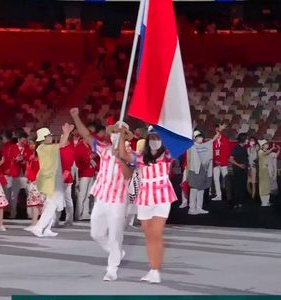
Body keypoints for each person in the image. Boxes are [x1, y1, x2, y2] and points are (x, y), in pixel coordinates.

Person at [71, 108, 132, 281]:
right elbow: (87, 136)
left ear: (125, 137)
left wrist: (120, 158)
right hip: (101, 197)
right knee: (96, 234)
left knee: (115, 235)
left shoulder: (130, 155)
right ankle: (117, 251)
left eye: (119, 133)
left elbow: (128, 175)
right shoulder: (104, 149)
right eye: (114, 132)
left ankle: (112, 268)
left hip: (118, 201)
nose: (115, 135)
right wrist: (76, 117)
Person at [118, 126, 177, 284]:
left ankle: (156, 270)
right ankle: (152, 269)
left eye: (158, 138)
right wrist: (121, 136)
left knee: (156, 234)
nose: (155, 141)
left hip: (162, 195)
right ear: (147, 139)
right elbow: (123, 154)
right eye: (152, 138)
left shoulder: (168, 155)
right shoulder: (140, 157)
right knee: (149, 235)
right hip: (145, 196)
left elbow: (179, 144)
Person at [25, 124, 73, 238]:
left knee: (51, 204)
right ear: (43, 138)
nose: (51, 137)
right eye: (48, 136)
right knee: (52, 204)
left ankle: (47, 228)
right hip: (48, 180)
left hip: (52, 179)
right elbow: (61, 144)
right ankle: (39, 227)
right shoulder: (43, 148)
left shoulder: (45, 147)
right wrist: (66, 133)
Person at [185, 130, 213, 215]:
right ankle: (191, 208)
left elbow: (212, 141)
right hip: (194, 170)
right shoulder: (192, 146)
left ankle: (199, 207)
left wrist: (219, 131)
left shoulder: (205, 146)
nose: (201, 139)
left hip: (203, 170)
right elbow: (189, 141)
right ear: (195, 138)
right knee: (194, 189)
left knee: (201, 189)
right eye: (199, 137)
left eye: (201, 137)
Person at [74, 130, 96, 221]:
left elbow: (90, 155)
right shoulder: (80, 146)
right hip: (83, 173)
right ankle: (78, 213)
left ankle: (85, 213)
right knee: (82, 194)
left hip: (90, 172)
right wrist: (90, 159)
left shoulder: (88, 146)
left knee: (88, 194)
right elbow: (79, 159)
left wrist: (91, 158)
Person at [56, 137, 75, 227]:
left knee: (63, 199)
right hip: (61, 177)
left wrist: (63, 177)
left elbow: (67, 167)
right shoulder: (60, 149)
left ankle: (60, 220)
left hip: (64, 178)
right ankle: (65, 220)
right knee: (66, 199)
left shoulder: (68, 150)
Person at [24, 138, 43, 229]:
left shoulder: (42, 156)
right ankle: (35, 222)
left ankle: (41, 223)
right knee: (35, 203)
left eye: (33, 144)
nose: (31, 146)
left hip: (39, 182)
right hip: (32, 181)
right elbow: (29, 169)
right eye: (30, 144)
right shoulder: (31, 156)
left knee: (40, 203)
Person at [230, 133, 249, 208]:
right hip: (238, 170)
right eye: (246, 139)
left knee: (242, 186)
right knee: (237, 186)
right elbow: (231, 159)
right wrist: (239, 165)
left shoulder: (244, 148)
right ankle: (235, 202)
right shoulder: (236, 148)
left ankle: (240, 201)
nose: (247, 140)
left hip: (244, 170)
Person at [211, 123, 230, 201]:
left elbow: (226, 152)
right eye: (216, 131)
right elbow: (212, 151)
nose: (217, 132)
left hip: (223, 163)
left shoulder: (225, 139)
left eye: (218, 130)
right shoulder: (214, 140)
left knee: (226, 179)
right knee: (216, 179)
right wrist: (216, 160)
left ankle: (228, 195)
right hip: (216, 163)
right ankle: (219, 195)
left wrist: (220, 161)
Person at [258, 140, 277, 207]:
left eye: (267, 144)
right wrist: (272, 148)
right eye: (265, 144)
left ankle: (267, 201)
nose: (267, 145)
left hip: (266, 170)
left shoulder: (265, 152)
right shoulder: (260, 152)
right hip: (262, 171)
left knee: (267, 185)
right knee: (263, 186)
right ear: (262, 145)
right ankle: (263, 202)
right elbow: (265, 153)